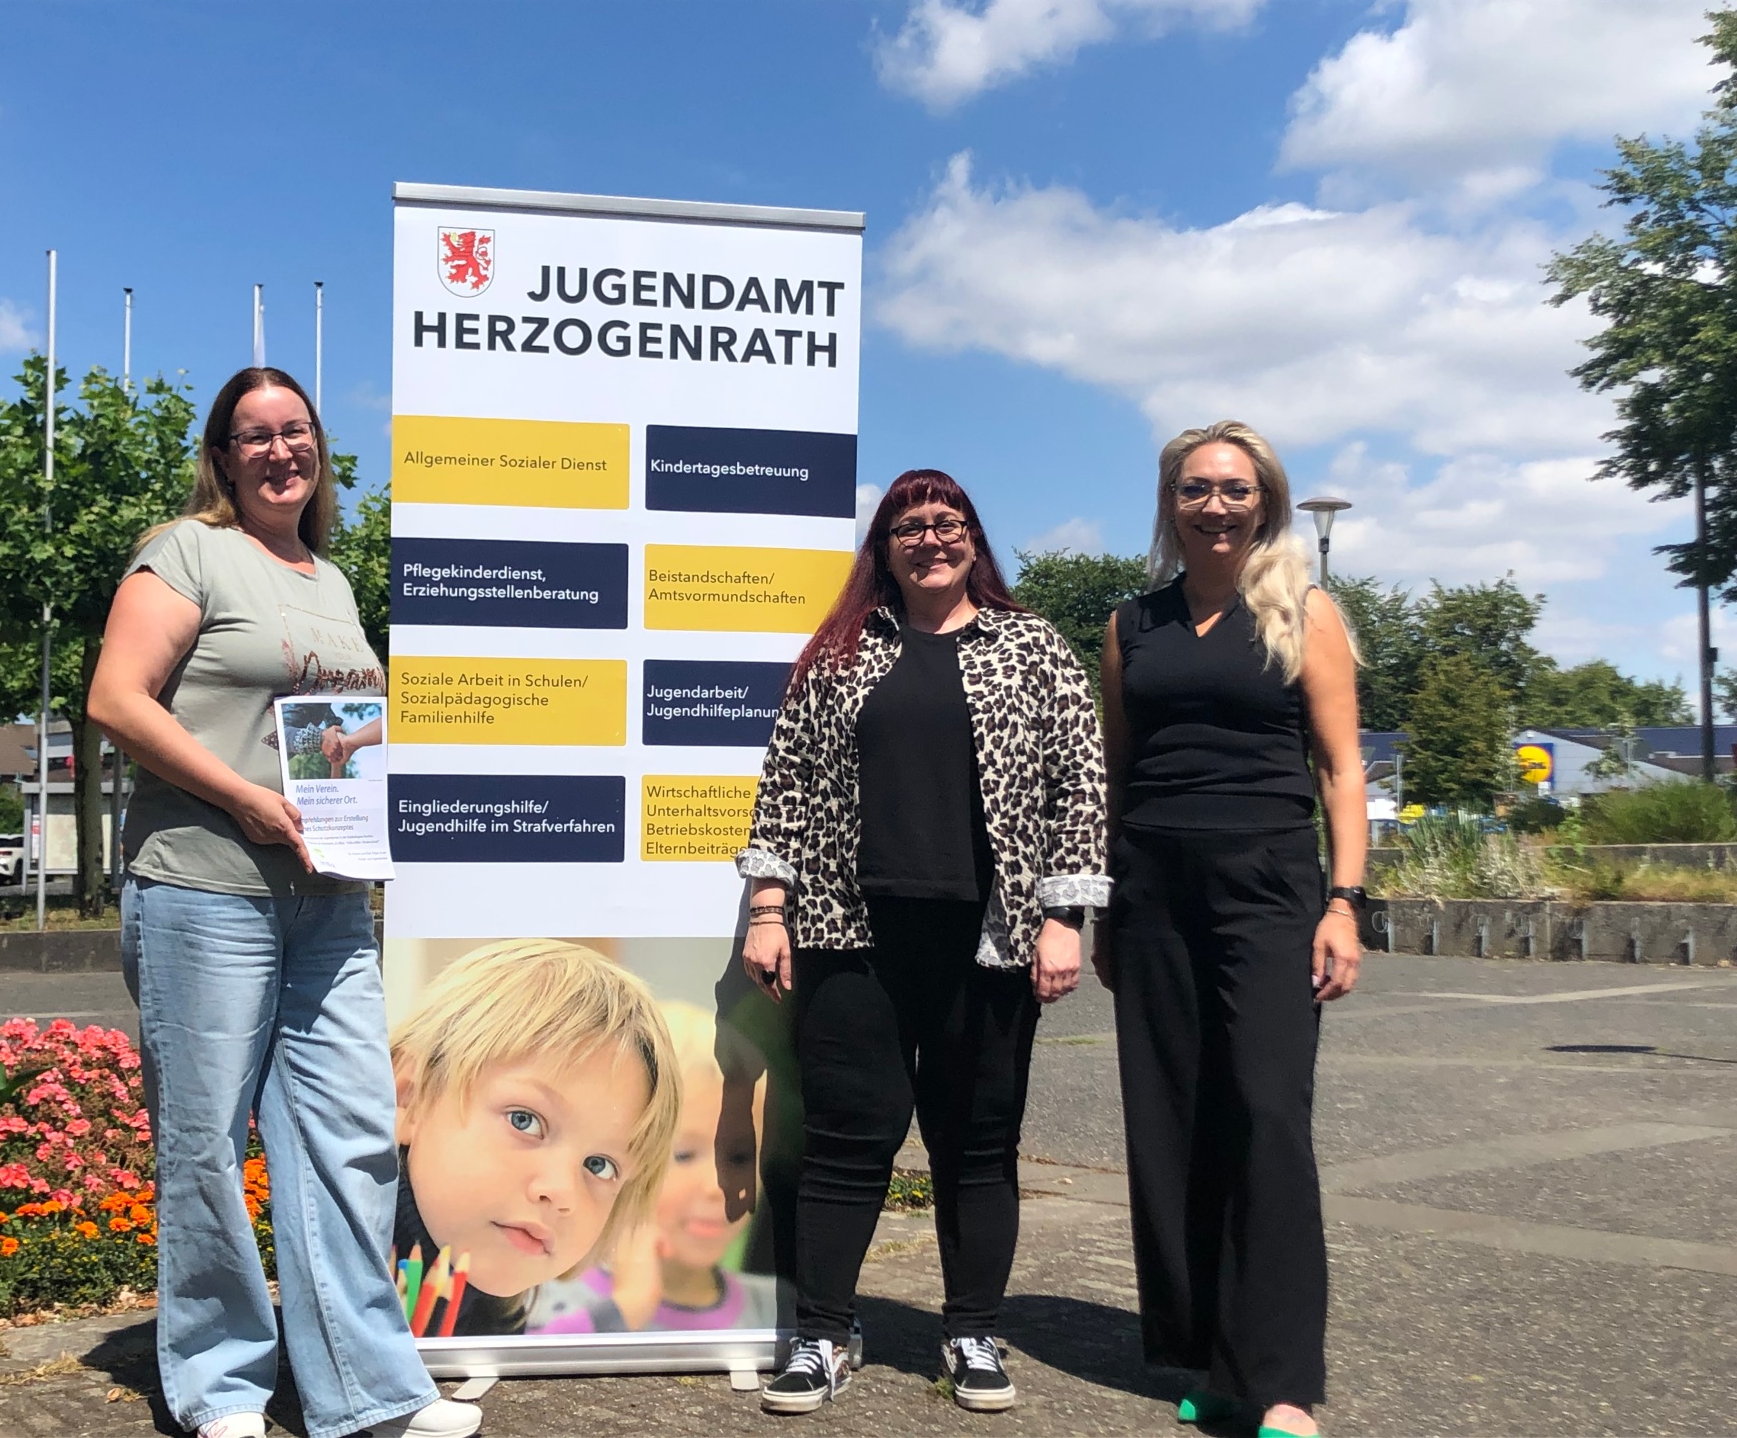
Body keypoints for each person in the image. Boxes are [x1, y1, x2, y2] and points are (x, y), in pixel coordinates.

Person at [89, 367, 479, 1438]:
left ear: (319, 449)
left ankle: (364, 1391)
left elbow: (334, 727)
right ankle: (222, 1388)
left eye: (294, 432)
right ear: (222, 457)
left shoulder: (334, 580)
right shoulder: (187, 552)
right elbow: (114, 698)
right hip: (205, 886)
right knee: (206, 1138)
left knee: (347, 1136)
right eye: (253, 436)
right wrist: (244, 799)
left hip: (329, 899)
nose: (278, 453)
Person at [737, 469, 1108, 1415]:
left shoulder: (1033, 648)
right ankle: (824, 1333)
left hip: (988, 941)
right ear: (884, 547)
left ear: (975, 541)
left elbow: (1081, 787)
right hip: (849, 936)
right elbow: (786, 784)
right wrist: (769, 911)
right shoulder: (840, 651)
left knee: (977, 1144)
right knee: (844, 1143)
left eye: (947, 524)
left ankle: (972, 1332)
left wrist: (1064, 917)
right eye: (909, 526)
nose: (929, 539)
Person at [1098, 421, 1365, 1438]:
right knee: (1173, 1124)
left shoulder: (1305, 610)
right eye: (1196, 489)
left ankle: (1284, 1377)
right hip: (1154, 888)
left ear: (1267, 502)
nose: (1215, 505)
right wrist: (1107, 903)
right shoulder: (1133, 626)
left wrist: (1344, 903)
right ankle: (1204, 1354)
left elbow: (1342, 770)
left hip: (1268, 888)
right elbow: (1122, 775)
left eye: (1235, 489)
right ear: (1171, 503)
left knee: (1265, 1120)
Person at [388, 940, 682, 1336]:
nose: (560, 1192)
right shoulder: (309, 1261)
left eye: (600, 1165)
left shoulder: (494, 1312)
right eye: (525, 1121)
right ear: (408, 1095)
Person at [529, 1001, 780, 1334]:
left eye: (739, 1158)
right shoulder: (536, 1300)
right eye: (684, 1155)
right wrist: (629, 1305)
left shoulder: (778, 1313)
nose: (718, 1187)